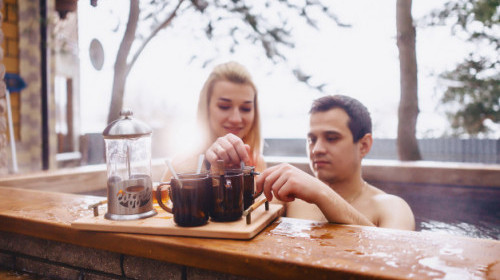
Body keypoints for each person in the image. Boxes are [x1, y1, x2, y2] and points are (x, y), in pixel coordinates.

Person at [256, 95, 415, 230]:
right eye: (312, 140)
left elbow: (391, 258)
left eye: (331, 138)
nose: (317, 149)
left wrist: (322, 194)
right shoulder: (287, 199)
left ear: (364, 145)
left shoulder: (391, 207)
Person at [162, 61, 266, 181]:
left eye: (246, 108)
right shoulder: (181, 166)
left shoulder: (257, 163)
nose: (236, 119)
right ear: (206, 108)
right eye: (224, 106)